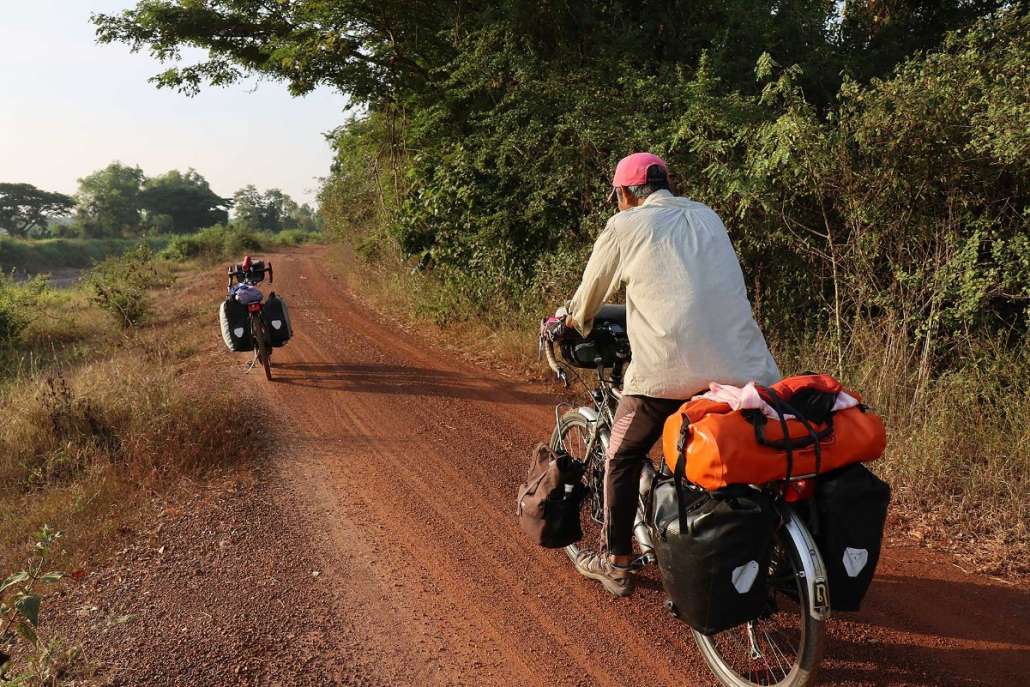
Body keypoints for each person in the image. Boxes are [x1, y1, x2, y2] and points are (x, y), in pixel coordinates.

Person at [557, 152, 780, 597]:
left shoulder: (624, 226)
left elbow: (585, 305)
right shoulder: (709, 217)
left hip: (667, 374)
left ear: (624, 194)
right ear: (666, 184)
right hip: (746, 372)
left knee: (621, 457)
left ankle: (616, 562)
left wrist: (562, 322)